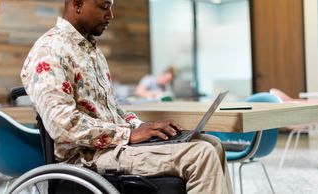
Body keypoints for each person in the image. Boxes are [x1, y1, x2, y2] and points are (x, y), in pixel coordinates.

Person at [21, 0, 233, 193]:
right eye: (104, 6)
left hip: (112, 147)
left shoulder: (90, 51)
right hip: (87, 158)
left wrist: (146, 127)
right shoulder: (50, 51)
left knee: (213, 143)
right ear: (77, 4)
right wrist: (128, 135)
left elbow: (113, 110)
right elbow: (63, 124)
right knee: (201, 155)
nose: (111, 15)